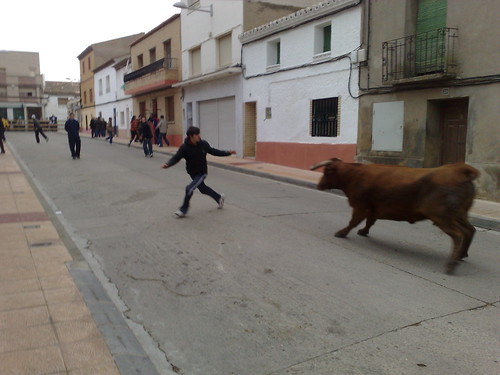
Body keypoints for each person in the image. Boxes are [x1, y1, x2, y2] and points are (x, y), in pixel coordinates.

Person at [161, 126, 236, 217]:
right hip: (192, 172)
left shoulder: (203, 144)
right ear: (191, 136)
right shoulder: (184, 147)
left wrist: (227, 153)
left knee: (189, 188)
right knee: (203, 189)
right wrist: (168, 164)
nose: (199, 136)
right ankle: (219, 198)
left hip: (202, 172)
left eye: (198, 134)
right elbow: (176, 157)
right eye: (196, 134)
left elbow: (214, 151)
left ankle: (183, 210)